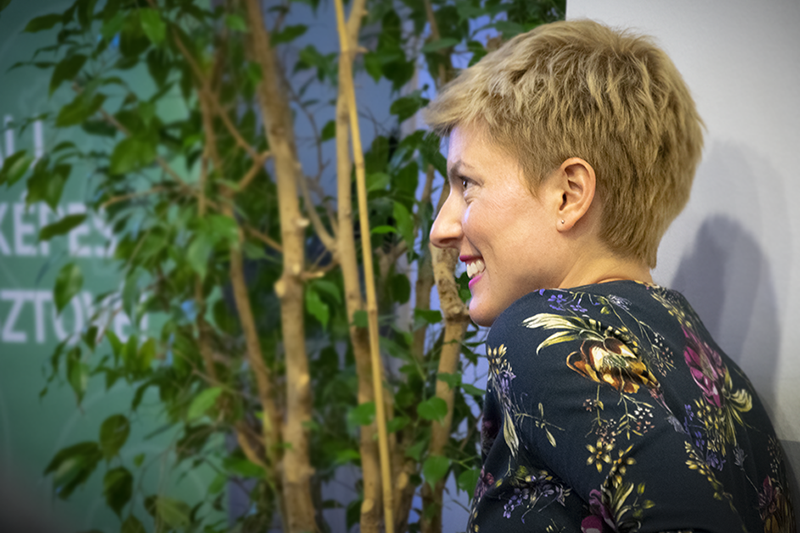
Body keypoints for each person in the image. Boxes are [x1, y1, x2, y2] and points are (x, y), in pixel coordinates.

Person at [426, 19, 796, 533]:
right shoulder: (712, 366)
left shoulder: (542, 336)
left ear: (569, 195)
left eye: (467, 183)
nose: (440, 229)